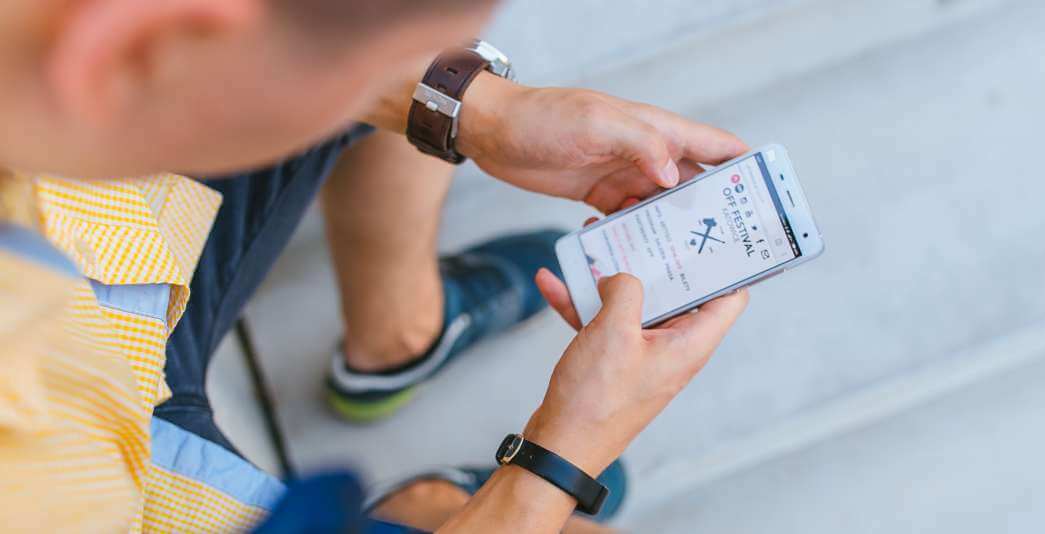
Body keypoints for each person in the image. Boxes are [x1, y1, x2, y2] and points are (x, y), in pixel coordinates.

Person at [0, 0, 750, 531]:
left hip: (101, 263)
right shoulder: (34, 477)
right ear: (138, 41)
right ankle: (420, 510)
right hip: (130, 470)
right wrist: (561, 458)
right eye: (386, 73)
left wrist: (473, 112)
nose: (441, 76)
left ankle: (398, 343)